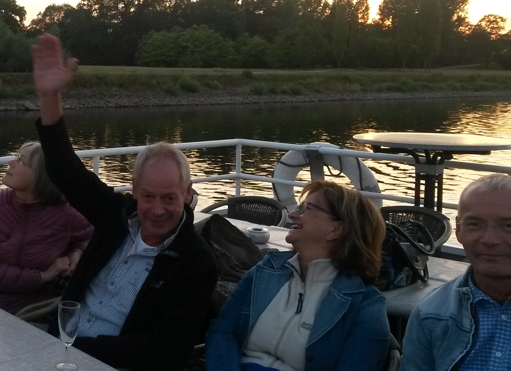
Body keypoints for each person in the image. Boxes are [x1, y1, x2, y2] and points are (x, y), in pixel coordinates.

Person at [31, 34, 218, 371]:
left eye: (169, 198)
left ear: (187, 194)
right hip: (56, 352)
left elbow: (164, 351)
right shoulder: (114, 215)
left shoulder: (196, 263)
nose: (157, 210)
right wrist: (49, 96)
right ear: (134, 190)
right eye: (147, 196)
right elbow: (63, 169)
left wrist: (77, 350)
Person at [205, 180, 390, 371]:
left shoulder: (364, 305)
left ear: (336, 229)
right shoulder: (267, 270)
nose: (292, 215)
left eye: (305, 209)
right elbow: (223, 330)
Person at [0, 141, 94, 314]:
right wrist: (42, 276)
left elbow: (94, 235)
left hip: (34, 312)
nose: (11, 163)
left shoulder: (66, 213)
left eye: (22, 161)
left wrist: (78, 251)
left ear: (41, 175)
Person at [401, 173, 511, 370]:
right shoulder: (430, 314)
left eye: (508, 226)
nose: (490, 239)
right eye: (474, 224)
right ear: (458, 229)